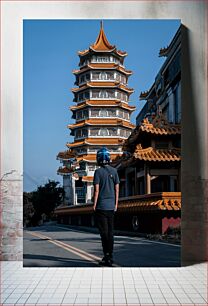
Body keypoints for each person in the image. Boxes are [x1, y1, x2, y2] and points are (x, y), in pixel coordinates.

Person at [93, 147, 120, 267]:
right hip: (111, 207)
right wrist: (116, 204)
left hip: (101, 207)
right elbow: (117, 189)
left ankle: (106, 256)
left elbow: (97, 191)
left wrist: (94, 205)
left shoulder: (98, 172)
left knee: (103, 233)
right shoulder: (114, 171)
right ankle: (111, 256)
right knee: (110, 232)